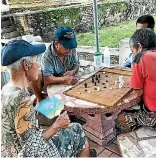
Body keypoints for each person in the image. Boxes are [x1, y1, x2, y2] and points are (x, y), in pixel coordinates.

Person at [1, 40, 90, 157]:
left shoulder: (6, 89)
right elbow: (31, 150)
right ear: (25, 65)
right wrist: (57, 125)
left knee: (57, 113)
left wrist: (33, 102)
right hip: (31, 154)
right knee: (77, 129)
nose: (38, 65)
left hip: (12, 153)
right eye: (36, 60)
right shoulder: (22, 99)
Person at [117, 28, 156, 132]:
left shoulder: (140, 57)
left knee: (119, 116)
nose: (133, 54)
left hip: (153, 117)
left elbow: (138, 92)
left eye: (132, 51)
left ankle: (135, 129)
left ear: (139, 47)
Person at [31, 26, 80, 102]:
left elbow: (76, 64)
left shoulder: (71, 49)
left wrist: (72, 71)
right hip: (52, 82)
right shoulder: (47, 56)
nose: (70, 50)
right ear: (56, 44)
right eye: (67, 47)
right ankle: (39, 99)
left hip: (66, 79)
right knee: (39, 74)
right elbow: (47, 79)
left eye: (71, 46)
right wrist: (64, 79)